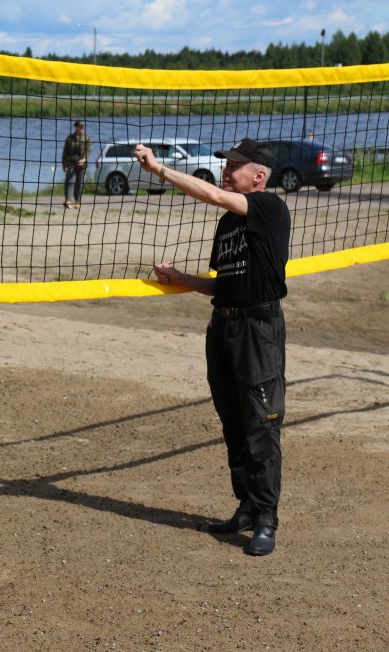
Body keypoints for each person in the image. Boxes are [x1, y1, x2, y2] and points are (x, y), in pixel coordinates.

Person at [133, 138, 289, 557]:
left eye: (234, 165)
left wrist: (159, 170)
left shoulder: (269, 208)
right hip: (224, 327)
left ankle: (265, 520)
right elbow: (224, 283)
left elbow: (215, 194)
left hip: (258, 330)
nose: (226, 170)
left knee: (261, 426)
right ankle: (245, 507)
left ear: (258, 176)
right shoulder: (228, 224)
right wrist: (182, 277)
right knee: (233, 423)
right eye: (226, 163)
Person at [62, 120, 92, 209]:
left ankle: (77, 201)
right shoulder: (70, 138)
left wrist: (84, 159)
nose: (82, 127)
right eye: (80, 125)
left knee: (79, 183)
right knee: (70, 181)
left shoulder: (86, 138)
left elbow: (88, 150)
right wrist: (64, 164)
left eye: (83, 125)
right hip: (71, 162)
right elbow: (65, 152)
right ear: (76, 127)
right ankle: (68, 200)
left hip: (81, 163)